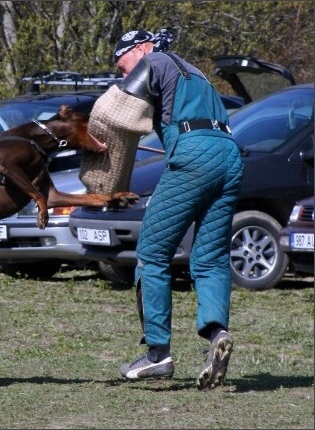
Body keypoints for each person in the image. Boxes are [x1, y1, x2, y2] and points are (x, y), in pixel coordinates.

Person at [112, 29, 245, 390]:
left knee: (152, 254)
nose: (121, 72)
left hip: (194, 156)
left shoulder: (154, 60)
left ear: (139, 48)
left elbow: (118, 110)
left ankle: (158, 354)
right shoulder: (196, 73)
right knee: (211, 257)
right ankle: (218, 333)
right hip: (229, 155)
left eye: (120, 63)